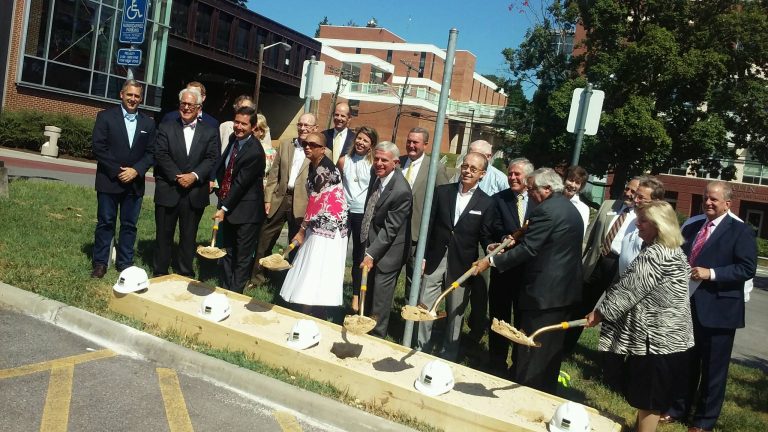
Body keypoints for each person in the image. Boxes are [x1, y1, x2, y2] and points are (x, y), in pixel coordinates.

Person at [586, 200, 694, 432]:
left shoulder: (656, 254)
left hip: (656, 341)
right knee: (651, 400)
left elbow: (629, 290)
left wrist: (599, 313)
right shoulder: (672, 250)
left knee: (649, 401)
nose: (637, 223)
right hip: (672, 340)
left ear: (660, 225)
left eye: (644, 220)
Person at [474, 168, 583, 394]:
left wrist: (491, 262)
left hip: (543, 293)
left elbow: (529, 249)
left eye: (532, 188)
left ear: (548, 189)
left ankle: (524, 392)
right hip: (563, 292)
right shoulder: (566, 208)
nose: (529, 193)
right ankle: (545, 391)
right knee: (550, 350)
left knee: (531, 347)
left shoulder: (546, 210)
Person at [662, 181, 757, 432]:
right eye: (706, 198)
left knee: (713, 369)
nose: (708, 203)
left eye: (714, 199)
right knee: (685, 362)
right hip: (688, 306)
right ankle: (678, 408)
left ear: (728, 203)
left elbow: (747, 268)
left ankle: (704, 420)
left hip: (719, 312)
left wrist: (711, 273)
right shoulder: (694, 226)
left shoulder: (740, 231)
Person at [416, 152, 496, 361]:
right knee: (425, 306)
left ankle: (448, 354)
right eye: (465, 166)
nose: (467, 171)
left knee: (455, 312)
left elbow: (485, 235)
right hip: (435, 259)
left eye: (473, 169)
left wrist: (490, 249)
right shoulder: (443, 192)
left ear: (482, 174)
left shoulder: (486, 203)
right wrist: (423, 256)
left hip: (461, 265)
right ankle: (420, 348)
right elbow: (429, 226)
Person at [564, 176, 640, 356]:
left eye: (633, 191)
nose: (627, 193)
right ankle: (565, 347)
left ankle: (607, 357)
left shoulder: (642, 215)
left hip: (619, 267)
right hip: (596, 262)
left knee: (611, 313)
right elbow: (588, 237)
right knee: (580, 306)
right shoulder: (608, 205)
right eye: (627, 189)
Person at [90, 79, 155, 278]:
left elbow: (152, 152)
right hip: (109, 181)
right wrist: (119, 171)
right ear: (121, 94)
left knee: (129, 225)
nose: (133, 99)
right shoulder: (105, 117)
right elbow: (98, 147)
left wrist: (136, 170)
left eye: (136, 96)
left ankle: (125, 263)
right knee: (105, 222)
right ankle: (100, 262)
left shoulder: (148, 123)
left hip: (134, 184)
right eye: (130, 95)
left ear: (141, 98)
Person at [152, 87, 219, 278]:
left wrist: (195, 176)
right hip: (169, 189)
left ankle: (184, 272)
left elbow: (212, 157)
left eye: (191, 104)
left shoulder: (210, 131)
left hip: (194, 192)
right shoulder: (166, 126)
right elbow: (161, 154)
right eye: (183, 103)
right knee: (164, 235)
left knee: (188, 237)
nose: (186, 107)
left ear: (199, 108)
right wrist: (177, 176)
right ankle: (160, 272)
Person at [279, 132, 348, 318]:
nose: (307, 147)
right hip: (319, 221)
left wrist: (301, 230)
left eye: (313, 145)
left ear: (323, 149)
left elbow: (315, 203)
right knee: (311, 263)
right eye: (305, 143)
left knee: (317, 264)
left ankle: (313, 309)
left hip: (330, 226)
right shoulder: (313, 165)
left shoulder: (323, 170)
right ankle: (309, 308)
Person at [449, 140, 509, 341]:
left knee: (480, 288)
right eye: (469, 155)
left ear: (489, 158)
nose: (469, 164)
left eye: (478, 156)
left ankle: (476, 327)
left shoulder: (500, 179)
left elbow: (505, 203)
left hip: (485, 236)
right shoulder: (460, 174)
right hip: (463, 234)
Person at [251, 114, 318, 285]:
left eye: (307, 126)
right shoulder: (285, 144)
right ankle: (257, 278)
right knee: (264, 239)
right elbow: (274, 174)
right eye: (300, 124)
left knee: (296, 245)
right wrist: (268, 199)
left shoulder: (321, 151)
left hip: (302, 204)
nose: (302, 128)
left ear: (315, 129)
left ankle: (290, 284)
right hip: (280, 199)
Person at [486, 158, 536, 375]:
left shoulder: (538, 201)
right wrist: (502, 237)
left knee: (522, 318)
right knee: (499, 315)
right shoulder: (499, 199)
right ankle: (496, 361)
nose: (512, 178)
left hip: (527, 271)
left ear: (528, 178)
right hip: (504, 269)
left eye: (517, 174)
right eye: (510, 174)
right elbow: (491, 226)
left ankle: (519, 364)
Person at [361, 141, 413, 339]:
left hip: (390, 251)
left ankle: (377, 335)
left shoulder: (401, 191)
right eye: (377, 159)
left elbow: (390, 230)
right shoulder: (377, 175)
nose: (379, 163)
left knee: (381, 299)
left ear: (396, 163)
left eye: (385, 160)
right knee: (370, 291)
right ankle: (364, 326)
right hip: (373, 242)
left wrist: (370, 254)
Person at [213, 106, 266, 293]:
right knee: (227, 251)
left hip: (247, 213)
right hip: (230, 206)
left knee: (242, 257)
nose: (239, 127)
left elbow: (241, 184)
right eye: (237, 122)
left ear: (253, 127)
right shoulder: (233, 140)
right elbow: (224, 167)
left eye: (244, 124)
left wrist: (223, 208)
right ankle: (225, 289)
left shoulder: (254, 152)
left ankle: (235, 294)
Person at [400, 127, 449, 297]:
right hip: (395, 232)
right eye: (409, 141)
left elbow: (443, 202)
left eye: (416, 142)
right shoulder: (397, 163)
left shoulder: (436, 168)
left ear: (426, 144)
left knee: (414, 281)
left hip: (417, 235)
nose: (411, 145)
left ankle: (408, 318)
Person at [337, 126, 378, 312]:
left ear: (371, 145)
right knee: (337, 253)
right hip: (344, 212)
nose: (361, 142)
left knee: (358, 257)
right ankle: (333, 290)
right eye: (359, 139)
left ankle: (356, 297)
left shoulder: (372, 166)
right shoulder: (344, 161)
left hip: (363, 214)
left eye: (366, 141)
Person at [618, 176, 665, 274]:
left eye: (641, 197)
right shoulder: (633, 220)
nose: (635, 200)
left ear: (656, 201)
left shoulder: (659, 230)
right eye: (636, 196)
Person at [563, 165, 590, 236]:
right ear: (564, 180)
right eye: (571, 180)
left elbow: (581, 235)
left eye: (577, 183)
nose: (573, 185)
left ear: (581, 186)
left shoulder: (583, 209)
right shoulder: (552, 200)